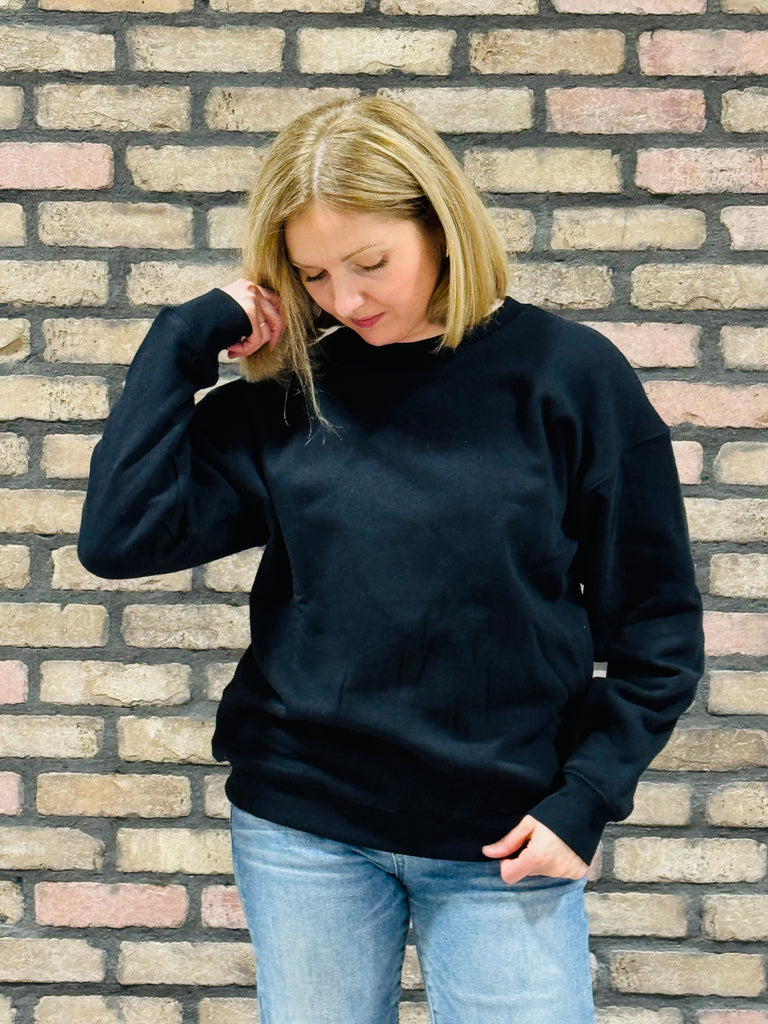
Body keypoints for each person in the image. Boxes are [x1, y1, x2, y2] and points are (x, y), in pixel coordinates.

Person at [78, 96, 704, 1024]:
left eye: (371, 263)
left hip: (506, 834)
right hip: (305, 827)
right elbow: (119, 538)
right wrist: (179, 341)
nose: (347, 300)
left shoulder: (569, 378)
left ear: (439, 224)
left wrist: (587, 798)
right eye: (314, 274)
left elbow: (656, 624)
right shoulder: (297, 393)